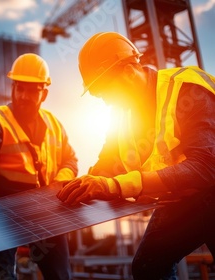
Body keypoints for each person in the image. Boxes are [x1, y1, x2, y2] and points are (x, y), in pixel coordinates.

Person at [57, 31, 215, 279]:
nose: (107, 103)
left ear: (128, 71)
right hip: (185, 198)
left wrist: (116, 186)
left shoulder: (186, 89)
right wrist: (86, 184)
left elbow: (205, 166)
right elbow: (108, 165)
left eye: (106, 92)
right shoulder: (123, 116)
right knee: (148, 267)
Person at [0, 53, 79, 279]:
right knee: (2, 274)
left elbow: (70, 159)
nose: (23, 95)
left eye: (31, 89)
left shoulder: (54, 124)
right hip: (6, 210)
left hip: (47, 209)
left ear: (44, 93)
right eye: (19, 87)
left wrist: (60, 182)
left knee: (59, 274)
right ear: (13, 88)